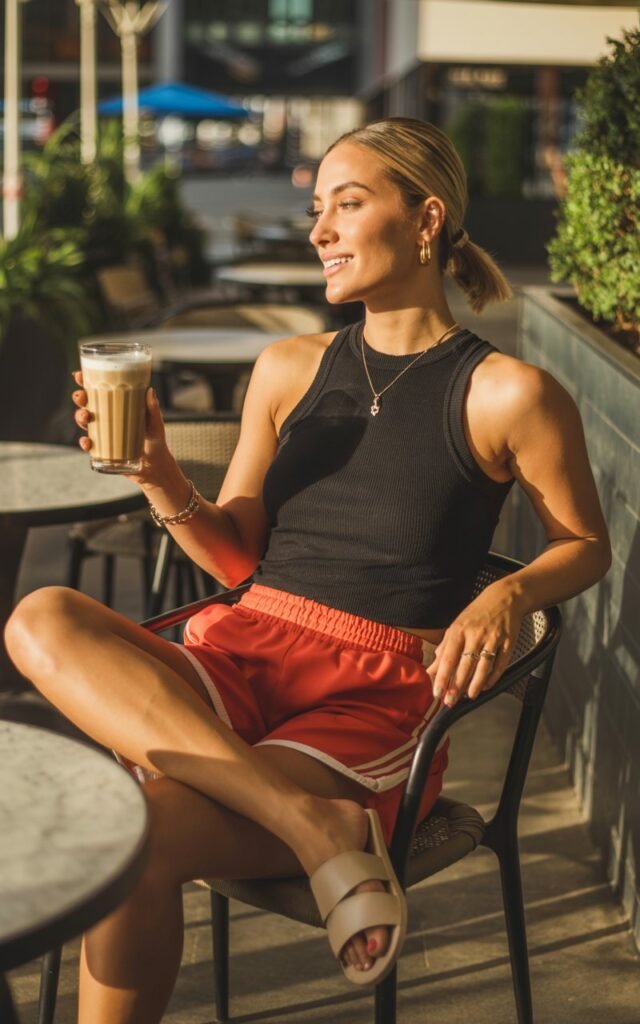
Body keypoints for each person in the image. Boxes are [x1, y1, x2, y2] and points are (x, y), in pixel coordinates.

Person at [5, 117, 610, 1022]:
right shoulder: (287, 367)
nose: (319, 229)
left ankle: (318, 816)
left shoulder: (507, 393)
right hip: (244, 649)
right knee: (39, 616)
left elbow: (585, 544)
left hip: (371, 695)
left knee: (133, 834)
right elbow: (239, 556)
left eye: (348, 204)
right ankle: (309, 824)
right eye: (315, 208)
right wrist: (159, 473)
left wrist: (509, 590)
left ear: (426, 219)